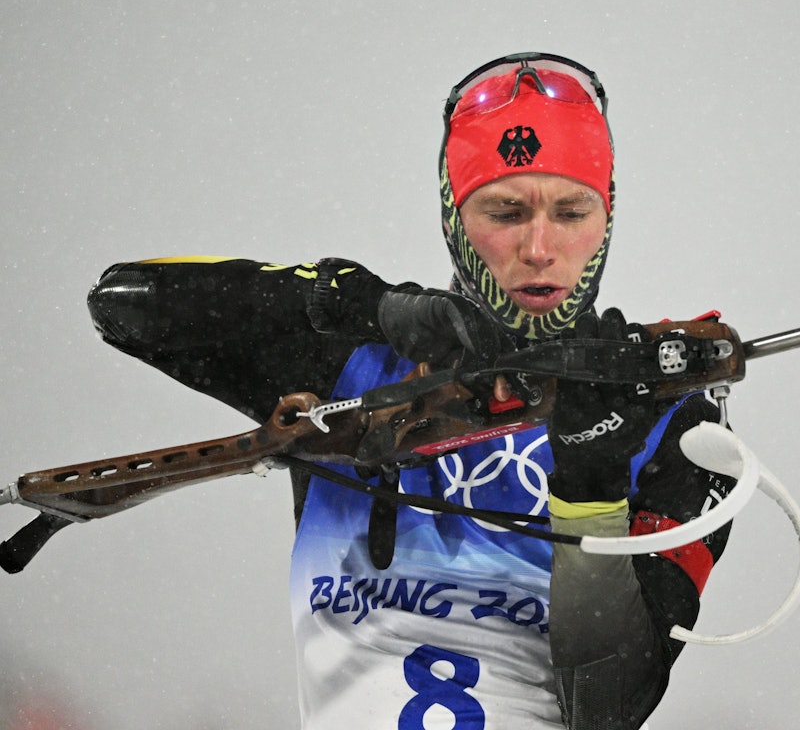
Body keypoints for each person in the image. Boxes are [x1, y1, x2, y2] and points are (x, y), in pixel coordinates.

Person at [86, 53, 738, 730]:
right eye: (505, 211)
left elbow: (608, 708)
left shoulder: (668, 419)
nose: (539, 247)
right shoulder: (351, 363)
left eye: (571, 210)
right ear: (454, 219)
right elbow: (126, 302)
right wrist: (363, 305)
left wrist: (592, 488)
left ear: (606, 221)